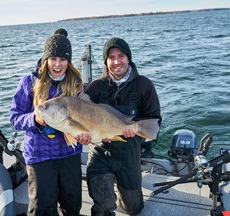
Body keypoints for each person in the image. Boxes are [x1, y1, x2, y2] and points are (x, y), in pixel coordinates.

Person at [10, 28, 89, 216]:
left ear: (68, 62)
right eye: (53, 59)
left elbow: (85, 118)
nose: (57, 64)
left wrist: (85, 135)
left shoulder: (77, 83)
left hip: (69, 154)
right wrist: (34, 120)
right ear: (46, 60)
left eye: (62, 59)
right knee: (42, 209)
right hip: (40, 156)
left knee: (72, 205)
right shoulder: (28, 82)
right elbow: (14, 118)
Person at [85, 37, 162, 215]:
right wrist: (88, 135)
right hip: (100, 151)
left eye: (121, 56)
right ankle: (105, 194)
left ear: (128, 58)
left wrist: (135, 132)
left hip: (129, 153)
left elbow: (154, 119)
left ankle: (126, 192)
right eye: (111, 57)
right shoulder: (95, 87)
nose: (116, 61)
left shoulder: (144, 85)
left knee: (133, 208)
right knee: (102, 207)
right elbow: (83, 118)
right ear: (106, 61)